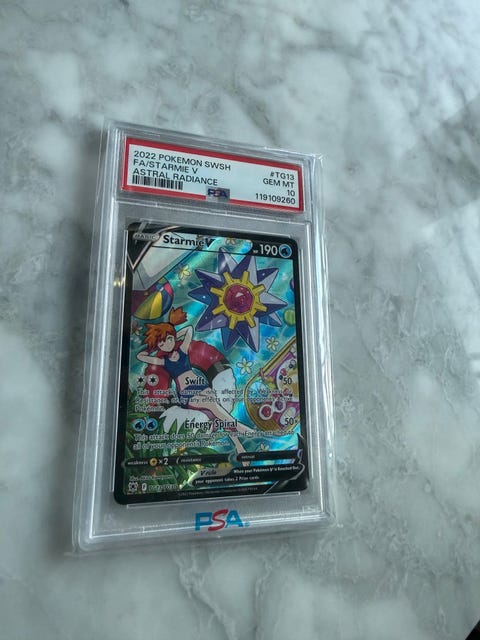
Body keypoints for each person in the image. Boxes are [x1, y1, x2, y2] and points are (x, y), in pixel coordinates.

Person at [137, 308, 253, 444]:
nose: (167, 344)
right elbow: (141, 356)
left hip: (201, 386)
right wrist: (153, 346)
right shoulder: (164, 361)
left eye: (168, 339)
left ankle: (238, 445)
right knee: (214, 406)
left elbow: (189, 330)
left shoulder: (183, 350)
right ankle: (240, 428)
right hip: (187, 393)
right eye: (162, 343)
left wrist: (174, 335)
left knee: (218, 413)